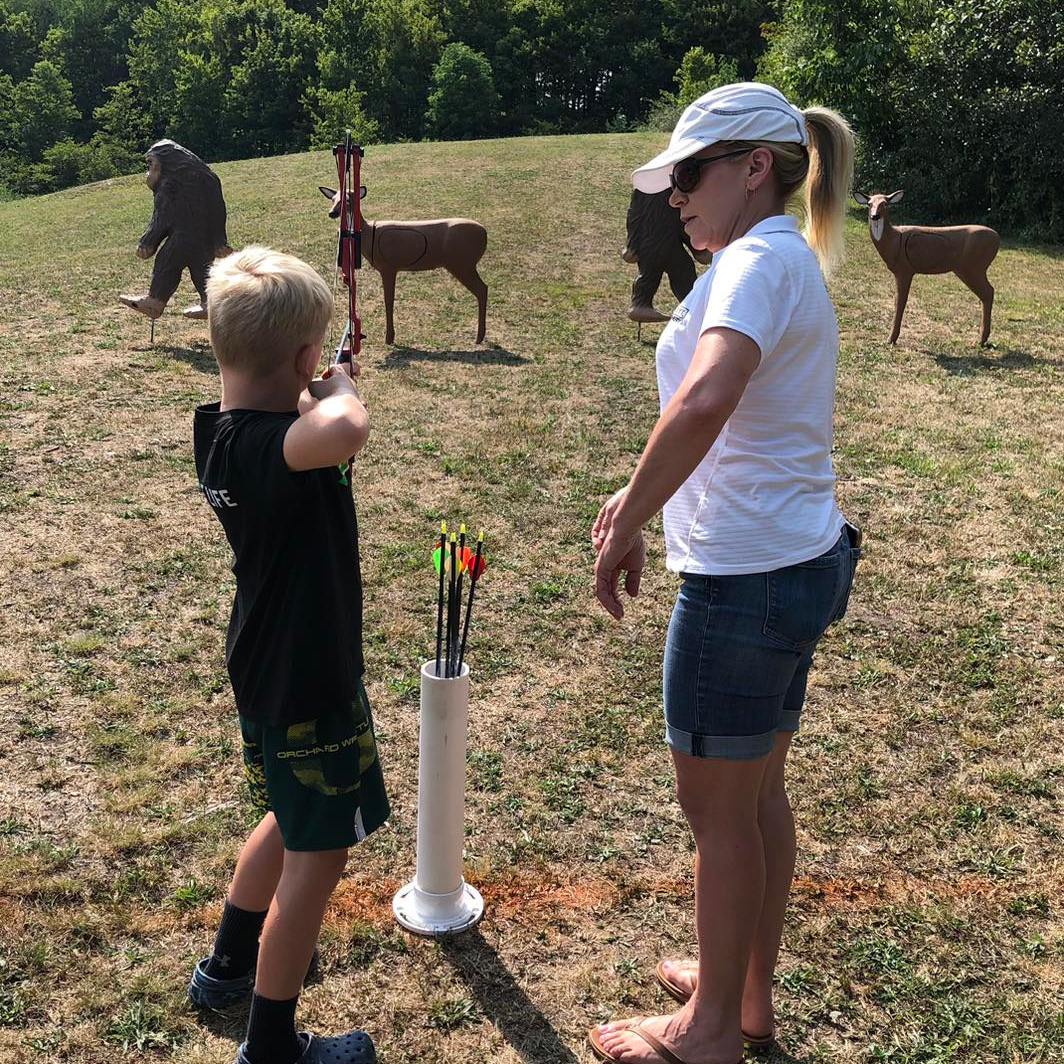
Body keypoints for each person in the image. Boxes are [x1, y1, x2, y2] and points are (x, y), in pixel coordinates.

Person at [588, 83, 862, 1064]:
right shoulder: (768, 257)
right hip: (792, 560)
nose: (671, 197)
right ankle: (739, 996)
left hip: (743, 580)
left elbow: (705, 395)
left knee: (719, 816)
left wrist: (628, 513)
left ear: (755, 168)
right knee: (752, 800)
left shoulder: (755, 260)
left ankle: (708, 1034)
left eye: (688, 175)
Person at [188, 246, 388, 1064]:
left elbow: (297, 421)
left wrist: (308, 372)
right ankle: (271, 1045)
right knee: (319, 851)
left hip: (267, 666)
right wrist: (339, 387)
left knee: (285, 810)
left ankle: (227, 966)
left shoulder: (222, 432)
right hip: (308, 675)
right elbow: (346, 428)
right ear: (303, 360)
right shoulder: (285, 444)